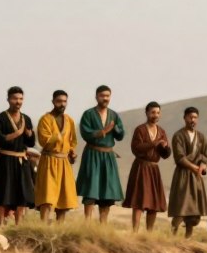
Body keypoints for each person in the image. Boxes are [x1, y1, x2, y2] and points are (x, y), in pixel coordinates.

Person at [0, 87, 35, 226]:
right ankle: (0, 224)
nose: (18, 102)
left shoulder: (26, 119)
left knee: (21, 194)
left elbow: (31, 142)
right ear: (8, 99)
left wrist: (29, 134)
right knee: (4, 192)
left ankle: (18, 224)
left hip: (21, 160)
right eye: (15, 99)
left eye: (20, 99)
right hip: (5, 160)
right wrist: (16, 133)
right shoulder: (0, 119)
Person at [77, 85, 124, 223]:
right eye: (102, 96)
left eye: (107, 96)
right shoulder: (88, 114)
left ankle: (103, 224)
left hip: (108, 157)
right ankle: (88, 223)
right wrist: (103, 131)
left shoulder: (114, 115)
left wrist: (114, 128)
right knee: (91, 189)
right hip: (92, 154)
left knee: (107, 191)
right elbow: (86, 133)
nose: (105, 98)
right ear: (96, 97)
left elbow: (121, 135)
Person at [123, 101, 169, 231]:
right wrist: (154, 143)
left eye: (158, 112)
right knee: (139, 201)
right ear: (147, 113)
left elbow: (166, 155)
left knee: (153, 203)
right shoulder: (140, 130)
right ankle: (135, 232)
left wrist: (165, 148)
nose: (156, 115)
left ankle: (149, 233)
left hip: (154, 168)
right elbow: (136, 148)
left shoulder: (161, 131)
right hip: (141, 167)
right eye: (153, 112)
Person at [35, 90, 78, 223]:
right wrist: (57, 137)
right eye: (59, 101)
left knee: (63, 199)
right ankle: (43, 226)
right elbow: (44, 140)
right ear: (53, 101)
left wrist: (72, 151)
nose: (62, 104)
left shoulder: (69, 120)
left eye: (65, 101)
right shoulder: (45, 119)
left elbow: (72, 141)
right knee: (47, 198)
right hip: (49, 160)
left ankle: (60, 228)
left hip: (64, 162)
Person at [168, 107, 207, 237]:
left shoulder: (201, 137)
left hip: (196, 177)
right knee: (181, 208)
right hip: (183, 175)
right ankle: (172, 236)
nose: (193, 120)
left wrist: (202, 166)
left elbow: (205, 156)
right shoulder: (178, 135)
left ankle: (188, 238)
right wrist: (194, 167)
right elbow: (179, 157)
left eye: (195, 117)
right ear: (185, 118)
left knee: (193, 211)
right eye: (190, 117)